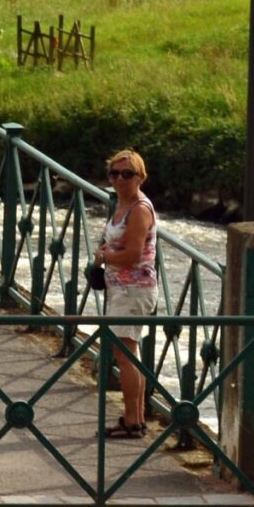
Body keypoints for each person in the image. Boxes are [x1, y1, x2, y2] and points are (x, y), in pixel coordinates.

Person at [96, 149, 158, 440]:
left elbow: (133, 254)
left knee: (125, 354)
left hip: (134, 290)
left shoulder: (140, 210)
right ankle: (136, 418)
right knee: (128, 353)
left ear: (140, 176)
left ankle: (133, 421)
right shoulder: (122, 204)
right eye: (114, 173)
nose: (120, 179)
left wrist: (105, 257)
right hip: (122, 289)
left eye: (127, 173)